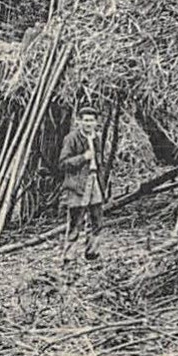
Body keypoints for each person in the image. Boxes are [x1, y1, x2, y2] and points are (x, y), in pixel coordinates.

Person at [59, 105, 106, 264]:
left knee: (97, 218)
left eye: (91, 120)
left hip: (94, 180)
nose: (88, 124)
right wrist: (83, 157)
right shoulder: (71, 138)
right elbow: (63, 163)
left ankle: (92, 253)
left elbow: (101, 162)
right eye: (85, 120)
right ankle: (69, 256)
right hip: (78, 183)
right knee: (76, 220)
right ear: (79, 121)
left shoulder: (97, 138)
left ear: (96, 122)